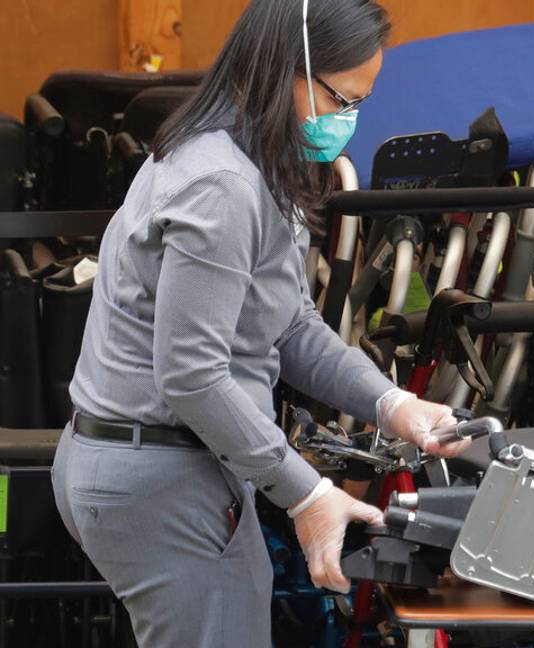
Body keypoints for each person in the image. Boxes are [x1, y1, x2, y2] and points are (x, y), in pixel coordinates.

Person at [49, 1, 468, 645]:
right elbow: (191, 376)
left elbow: (290, 323)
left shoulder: (249, 162)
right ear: (284, 69)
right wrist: (307, 494)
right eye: (339, 99)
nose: (346, 121)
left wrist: (391, 404)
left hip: (170, 464)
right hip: (159, 476)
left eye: (358, 103)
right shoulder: (220, 183)